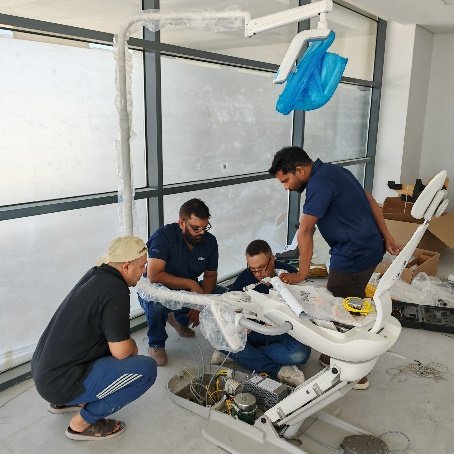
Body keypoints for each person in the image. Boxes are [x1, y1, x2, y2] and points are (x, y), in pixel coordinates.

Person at [269, 146, 399, 389]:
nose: (286, 187)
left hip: (353, 254)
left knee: (340, 312)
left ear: (300, 170)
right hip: (369, 246)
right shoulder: (334, 171)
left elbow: (305, 230)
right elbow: (370, 200)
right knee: (353, 302)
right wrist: (387, 236)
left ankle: (355, 372)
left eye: (286, 180)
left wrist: (301, 274)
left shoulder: (318, 184)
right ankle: (340, 356)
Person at [31, 236, 157, 441]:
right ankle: (82, 423)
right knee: (146, 369)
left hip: (44, 373)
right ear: (126, 266)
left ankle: (68, 401)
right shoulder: (116, 290)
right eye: (142, 266)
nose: (144, 271)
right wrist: (133, 345)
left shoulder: (95, 274)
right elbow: (121, 352)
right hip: (59, 383)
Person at [211, 239, 311, 387]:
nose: (258, 274)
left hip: (283, 331)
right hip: (254, 332)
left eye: (261, 268)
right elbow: (230, 312)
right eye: (253, 269)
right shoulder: (244, 279)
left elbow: (305, 306)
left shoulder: (288, 274)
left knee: (299, 354)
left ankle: (241, 354)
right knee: (218, 335)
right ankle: (275, 369)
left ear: (272, 259)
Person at [139, 198, 222, 366]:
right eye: (196, 228)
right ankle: (156, 344)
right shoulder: (164, 236)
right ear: (182, 223)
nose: (201, 232)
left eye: (205, 227)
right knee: (156, 305)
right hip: (158, 289)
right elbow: (154, 275)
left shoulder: (210, 242)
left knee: (222, 295)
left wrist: (199, 304)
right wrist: (192, 285)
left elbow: (210, 276)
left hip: (187, 289)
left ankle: (178, 320)